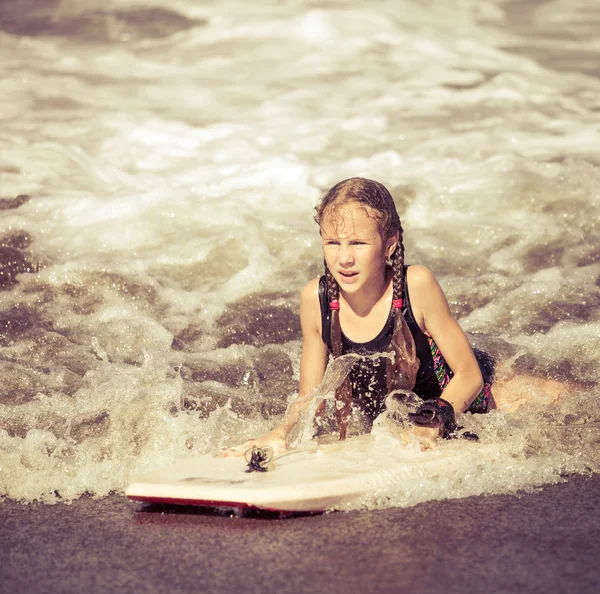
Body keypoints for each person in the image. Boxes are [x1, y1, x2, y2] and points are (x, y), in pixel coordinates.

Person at [222, 177, 551, 457]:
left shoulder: (416, 285)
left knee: (567, 411)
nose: (344, 258)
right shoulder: (316, 299)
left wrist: (431, 422)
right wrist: (281, 433)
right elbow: (310, 397)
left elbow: (470, 375)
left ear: (390, 244)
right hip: (402, 420)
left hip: (476, 400)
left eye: (359, 243)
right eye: (333, 243)